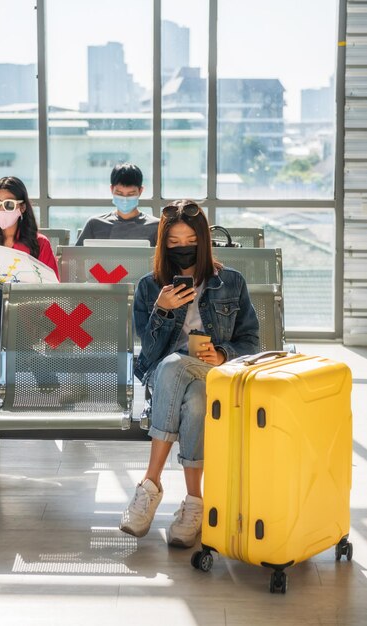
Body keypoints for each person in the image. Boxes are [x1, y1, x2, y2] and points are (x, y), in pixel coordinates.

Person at [119, 199, 259, 547]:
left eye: (190, 242)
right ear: (163, 245)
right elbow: (149, 354)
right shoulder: (149, 286)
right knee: (189, 391)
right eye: (174, 243)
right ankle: (194, 502)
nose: (183, 249)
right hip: (164, 379)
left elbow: (251, 341)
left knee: (193, 381)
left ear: (204, 241)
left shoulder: (231, 282)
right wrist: (162, 311)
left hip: (213, 374)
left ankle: (150, 485)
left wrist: (223, 354)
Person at [0, 176, 59, 450]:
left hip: (26, 317)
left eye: (8, 204)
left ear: (22, 208)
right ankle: (33, 360)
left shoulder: (39, 244)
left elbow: (51, 290)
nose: (1, 209)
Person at [75, 163, 159, 246]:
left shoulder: (156, 226)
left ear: (140, 191)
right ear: (111, 189)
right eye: (119, 193)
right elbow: (76, 257)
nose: (125, 199)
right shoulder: (95, 224)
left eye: (130, 194)